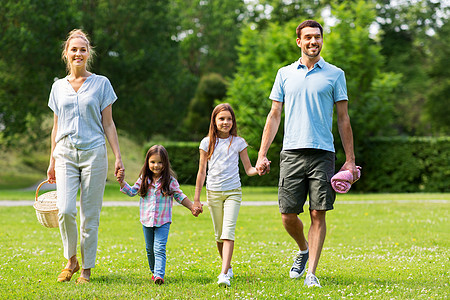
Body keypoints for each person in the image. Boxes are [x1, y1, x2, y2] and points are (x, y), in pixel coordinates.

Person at [255, 20, 358, 288]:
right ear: (299, 41)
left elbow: (343, 118)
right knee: (288, 215)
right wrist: (262, 154)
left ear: (322, 41)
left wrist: (350, 159)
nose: (314, 41)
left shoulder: (336, 74)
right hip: (291, 152)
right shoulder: (284, 74)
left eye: (318, 37)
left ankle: (311, 272)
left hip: (323, 153)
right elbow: (274, 114)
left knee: (317, 213)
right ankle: (303, 249)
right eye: (308, 37)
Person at [46, 29, 124, 284]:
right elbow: (56, 127)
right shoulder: (58, 87)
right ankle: (71, 259)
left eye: (82, 49)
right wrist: (52, 161)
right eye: (73, 49)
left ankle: (86, 269)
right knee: (65, 210)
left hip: (94, 153)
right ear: (66, 54)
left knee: (90, 214)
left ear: (88, 53)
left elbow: (109, 125)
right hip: (65, 153)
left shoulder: (102, 83)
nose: (78, 53)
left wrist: (118, 157)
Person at [193, 103, 259, 287]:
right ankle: (228, 266)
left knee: (228, 231)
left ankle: (223, 274)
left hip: (233, 193)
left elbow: (249, 169)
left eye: (229, 119)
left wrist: (259, 169)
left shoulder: (239, 142)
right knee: (218, 235)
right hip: (213, 193)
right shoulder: (206, 143)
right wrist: (196, 199)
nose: (226, 122)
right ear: (214, 121)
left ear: (233, 121)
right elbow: (201, 172)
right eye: (222, 118)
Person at [117, 145, 200, 285]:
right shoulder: (144, 179)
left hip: (163, 221)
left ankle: (159, 276)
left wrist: (192, 206)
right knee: (149, 249)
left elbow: (180, 196)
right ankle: (154, 271)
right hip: (146, 220)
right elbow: (132, 191)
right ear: (147, 163)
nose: (156, 165)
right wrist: (121, 182)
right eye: (153, 162)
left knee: (159, 247)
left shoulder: (170, 181)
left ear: (165, 163)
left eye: (160, 162)